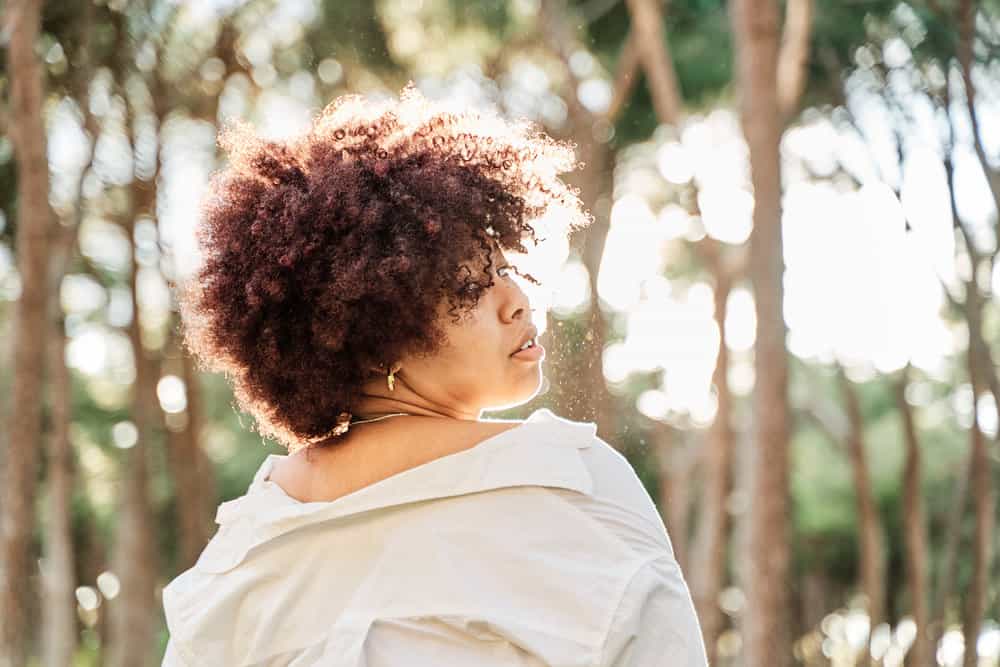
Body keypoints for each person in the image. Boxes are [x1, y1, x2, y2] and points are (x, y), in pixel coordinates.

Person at [161, 83, 708, 666]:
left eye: (504, 267)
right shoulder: (569, 479)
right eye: (468, 285)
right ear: (375, 328)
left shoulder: (243, 549)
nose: (517, 301)